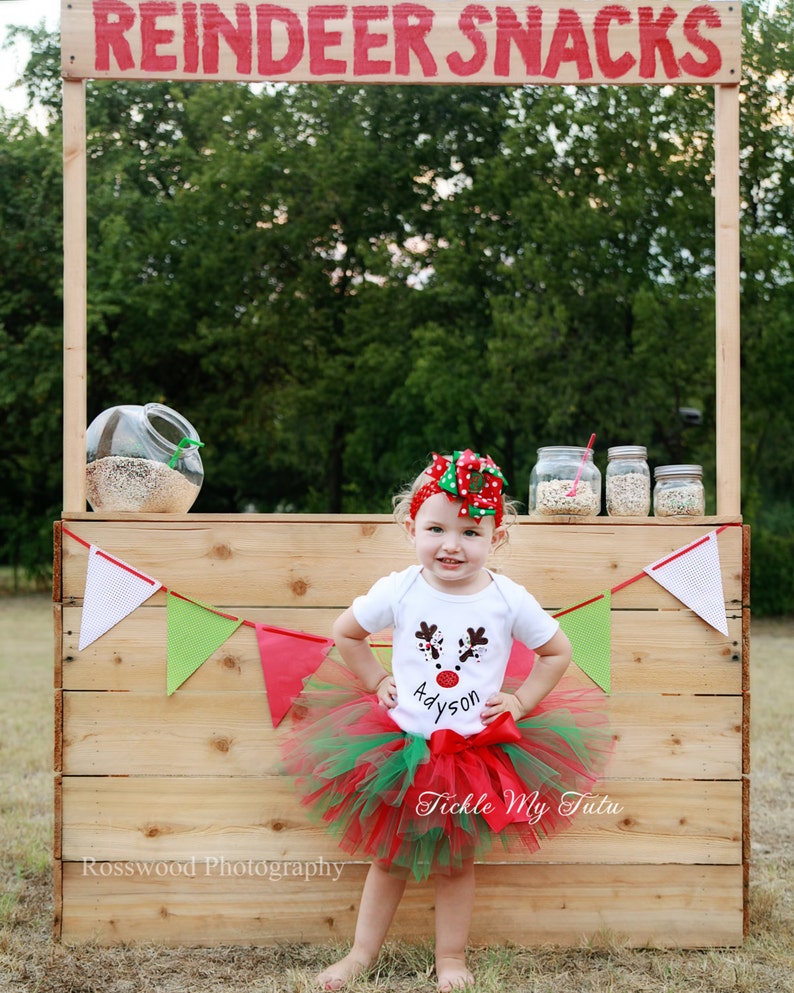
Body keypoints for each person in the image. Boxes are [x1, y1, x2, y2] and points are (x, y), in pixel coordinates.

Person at [282, 449, 612, 992]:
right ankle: (361, 956)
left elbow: (558, 650)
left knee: (457, 863)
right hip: (403, 752)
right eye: (436, 528)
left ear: (496, 538)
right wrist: (373, 680)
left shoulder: (508, 599)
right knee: (388, 857)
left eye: (470, 532)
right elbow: (347, 633)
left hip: (473, 756)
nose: (451, 545)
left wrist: (522, 703)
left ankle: (452, 959)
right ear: (412, 527)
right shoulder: (401, 589)